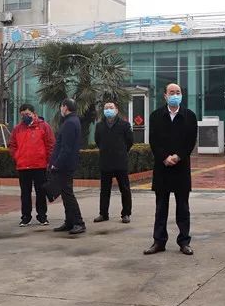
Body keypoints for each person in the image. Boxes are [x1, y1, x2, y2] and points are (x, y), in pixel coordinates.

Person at [144, 83, 198, 256]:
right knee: (161, 208)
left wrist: (178, 156)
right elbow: (153, 140)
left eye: (178, 92)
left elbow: (190, 141)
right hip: (162, 168)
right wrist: (164, 157)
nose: (175, 95)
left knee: (183, 208)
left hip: (181, 168)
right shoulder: (156, 116)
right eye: (172, 92)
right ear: (165, 96)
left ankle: (184, 242)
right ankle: (159, 241)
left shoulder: (189, 116)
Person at [8, 104, 55, 227]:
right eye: (23, 115)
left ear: (34, 113)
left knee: (41, 192)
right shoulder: (17, 129)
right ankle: (26, 217)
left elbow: (50, 144)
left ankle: (42, 216)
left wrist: (49, 161)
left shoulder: (44, 126)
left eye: (27, 114)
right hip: (23, 166)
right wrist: (17, 157)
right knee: (25, 193)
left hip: (39, 165)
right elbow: (12, 145)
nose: (25, 117)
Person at [47, 98, 86, 235]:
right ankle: (70, 221)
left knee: (68, 194)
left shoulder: (70, 123)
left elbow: (66, 148)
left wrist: (56, 164)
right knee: (65, 194)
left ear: (65, 107)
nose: (61, 109)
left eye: (61, 107)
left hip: (65, 165)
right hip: (67, 163)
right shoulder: (72, 121)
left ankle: (78, 222)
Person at [94, 101, 134, 224]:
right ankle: (103, 214)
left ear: (116, 110)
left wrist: (122, 151)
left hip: (120, 161)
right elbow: (98, 141)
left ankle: (126, 213)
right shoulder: (99, 125)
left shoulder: (124, 125)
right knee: (104, 190)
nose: (108, 110)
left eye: (111, 107)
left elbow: (130, 141)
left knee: (125, 189)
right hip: (105, 162)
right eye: (106, 108)